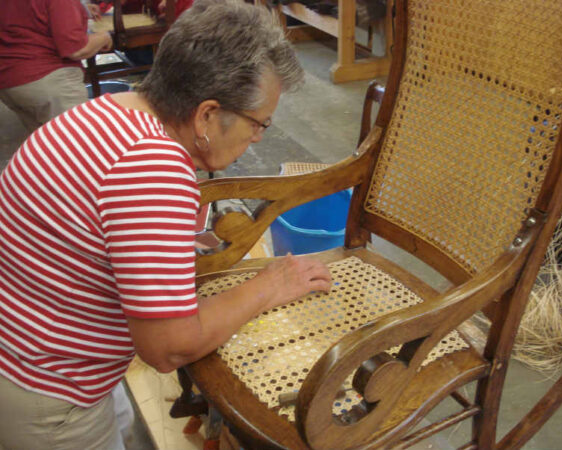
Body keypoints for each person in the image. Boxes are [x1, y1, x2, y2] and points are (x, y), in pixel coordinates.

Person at [0, 0, 332, 448]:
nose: (257, 137)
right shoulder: (152, 169)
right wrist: (270, 284)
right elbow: (168, 348)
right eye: (259, 124)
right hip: (48, 389)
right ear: (207, 115)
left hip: (31, 346)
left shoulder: (109, 111)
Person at [0, 0, 113, 133]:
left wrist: (79, 10)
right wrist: (104, 37)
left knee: (48, 144)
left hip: (10, 80)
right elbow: (76, 50)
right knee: (75, 143)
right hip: (47, 79)